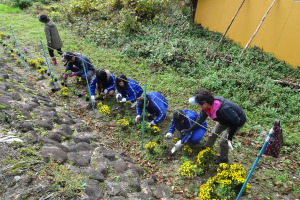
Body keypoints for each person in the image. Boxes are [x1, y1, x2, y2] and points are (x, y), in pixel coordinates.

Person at [182, 88, 246, 164]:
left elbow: (236, 121)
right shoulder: (206, 108)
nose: (198, 106)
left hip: (236, 122)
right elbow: (199, 121)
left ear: (205, 103)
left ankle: (224, 158)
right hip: (223, 119)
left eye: (199, 104)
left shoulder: (224, 109)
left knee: (223, 141)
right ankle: (206, 148)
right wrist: (189, 130)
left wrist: (229, 136)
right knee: (213, 134)